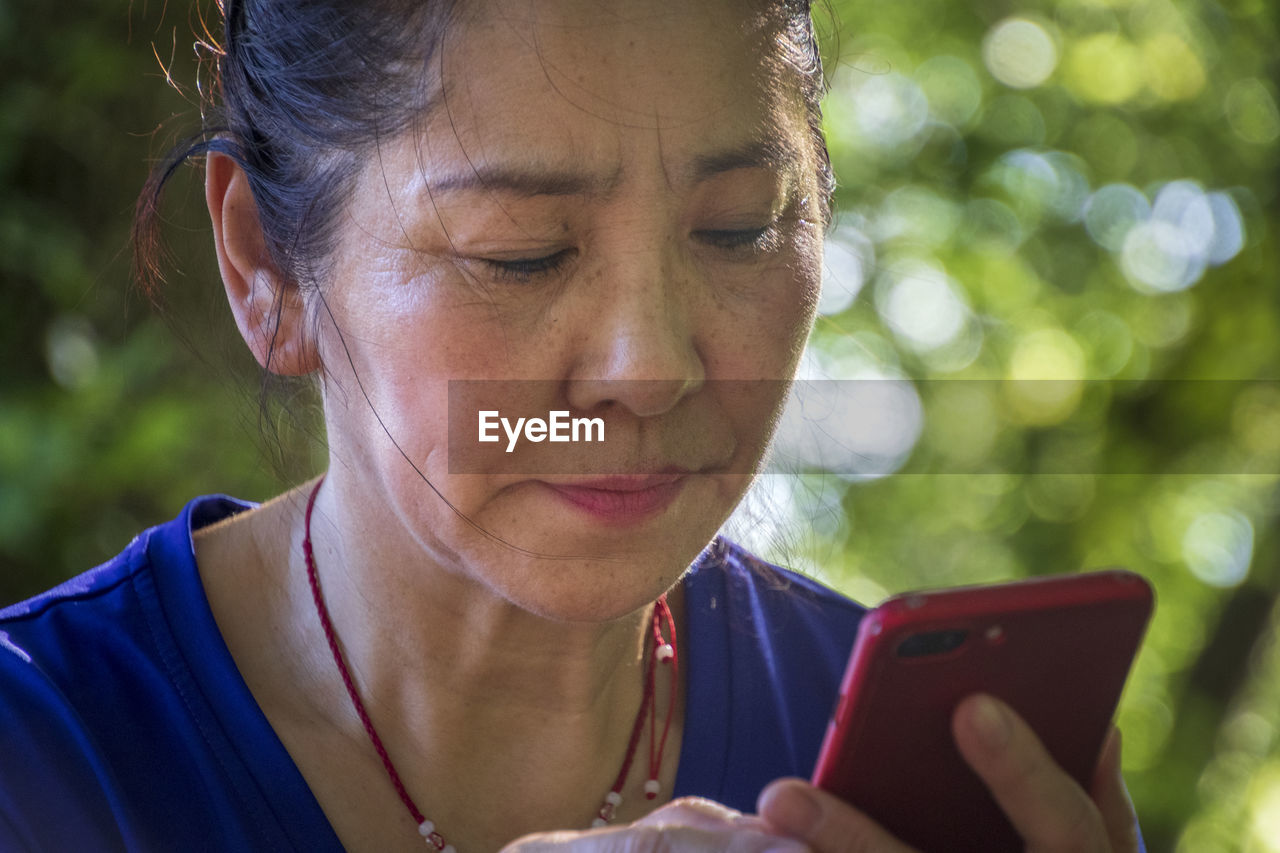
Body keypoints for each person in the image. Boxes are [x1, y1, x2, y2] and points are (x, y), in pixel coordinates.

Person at [0, 0, 1143, 850]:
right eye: (521, 253)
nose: (648, 370)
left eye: (740, 232)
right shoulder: (43, 745)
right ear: (265, 269)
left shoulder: (919, 762)